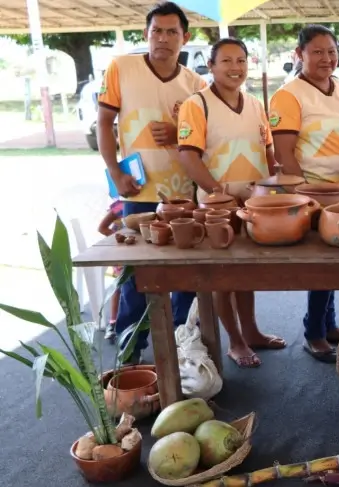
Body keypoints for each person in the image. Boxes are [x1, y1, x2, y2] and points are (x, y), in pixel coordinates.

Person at [97, 1, 207, 364]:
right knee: (137, 275)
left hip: (184, 193)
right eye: (156, 31)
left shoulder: (195, 84)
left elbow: (203, 137)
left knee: (187, 275)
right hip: (138, 191)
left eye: (171, 31)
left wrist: (179, 131)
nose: (162, 38)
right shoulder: (122, 68)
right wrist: (115, 172)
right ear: (145, 34)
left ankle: (178, 341)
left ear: (185, 37)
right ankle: (131, 349)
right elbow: (103, 123)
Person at [176, 38, 286, 368]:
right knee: (223, 277)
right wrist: (218, 192)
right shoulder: (197, 105)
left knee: (246, 272)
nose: (235, 67)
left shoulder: (254, 104)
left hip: (254, 205)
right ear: (210, 66)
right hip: (216, 208)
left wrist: (271, 184)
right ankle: (235, 342)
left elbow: (267, 148)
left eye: (241, 60)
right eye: (226, 61)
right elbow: (188, 155)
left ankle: (251, 332)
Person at [269, 25, 339, 363]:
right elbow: (284, 154)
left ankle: (328, 323)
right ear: (299, 55)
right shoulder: (289, 95)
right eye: (317, 52)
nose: (326, 58)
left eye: (331, 51)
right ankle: (314, 334)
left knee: (336, 263)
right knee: (322, 264)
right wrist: (306, 195)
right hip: (312, 194)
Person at [97, 199, 125, 344]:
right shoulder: (119, 207)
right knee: (119, 285)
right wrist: (120, 239)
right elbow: (102, 228)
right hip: (121, 253)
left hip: (137, 250)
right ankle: (113, 322)